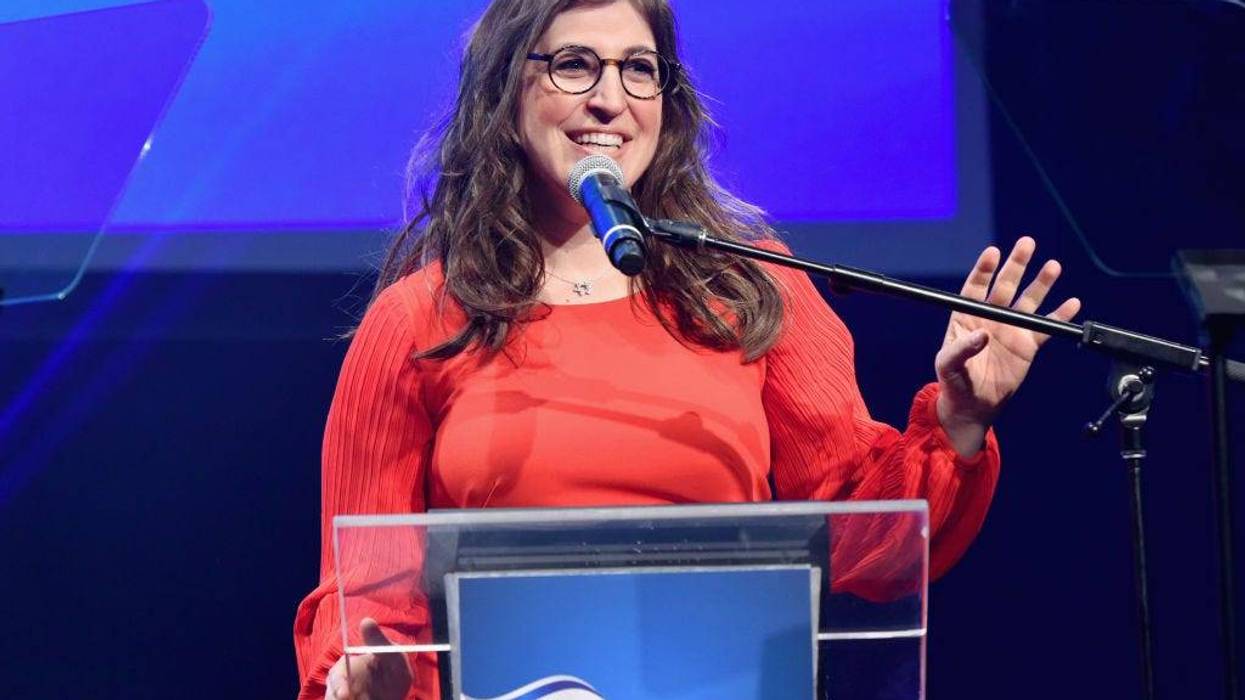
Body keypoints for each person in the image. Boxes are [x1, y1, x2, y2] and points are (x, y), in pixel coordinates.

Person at [292, 0, 1081, 698]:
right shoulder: (418, 319)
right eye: (573, 65)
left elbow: (862, 532)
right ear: (505, 93)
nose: (609, 98)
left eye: (639, 70)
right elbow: (366, 593)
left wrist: (958, 415)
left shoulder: (748, 291)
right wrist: (360, 677)